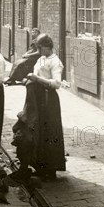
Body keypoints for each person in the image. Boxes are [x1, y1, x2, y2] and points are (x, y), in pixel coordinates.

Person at [9, 34, 66, 184]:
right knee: (34, 130)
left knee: (48, 132)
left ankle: (50, 169)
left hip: (48, 100)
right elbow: (34, 74)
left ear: (47, 46)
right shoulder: (40, 59)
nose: (38, 50)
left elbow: (56, 83)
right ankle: (38, 165)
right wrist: (26, 79)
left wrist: (36, 79)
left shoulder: (55, 62)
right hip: (36, 99)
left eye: (39, 48)